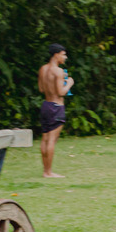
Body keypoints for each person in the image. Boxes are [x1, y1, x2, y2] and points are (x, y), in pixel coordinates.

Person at [37, 44, 73, 178]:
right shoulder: (57, 71)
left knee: (45, 138)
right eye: (63, 54)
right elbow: (61, 92)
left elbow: (41, 89)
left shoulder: (43, 69)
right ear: (56, 55)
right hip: (56, 107)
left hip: (46, 105)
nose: (65, 57)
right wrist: (69, 82)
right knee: (52, 140)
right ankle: (49, 172)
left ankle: (45, 170)